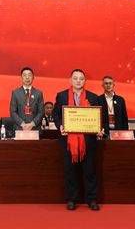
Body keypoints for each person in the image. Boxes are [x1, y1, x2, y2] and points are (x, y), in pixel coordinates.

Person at [54, 69, 103, 211]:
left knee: (90, 171)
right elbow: (57, 116)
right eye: (75, 78)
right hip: (68, 141)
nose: (78, 81)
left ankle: (92, 199)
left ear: (85, 81)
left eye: (81, 78)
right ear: (70, 80)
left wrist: (99, 128)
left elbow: (99, 117)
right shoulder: (62, 96)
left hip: (88, 141)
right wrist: (60, 126)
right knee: (70, 171)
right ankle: (71, 199)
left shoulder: (93, 97)